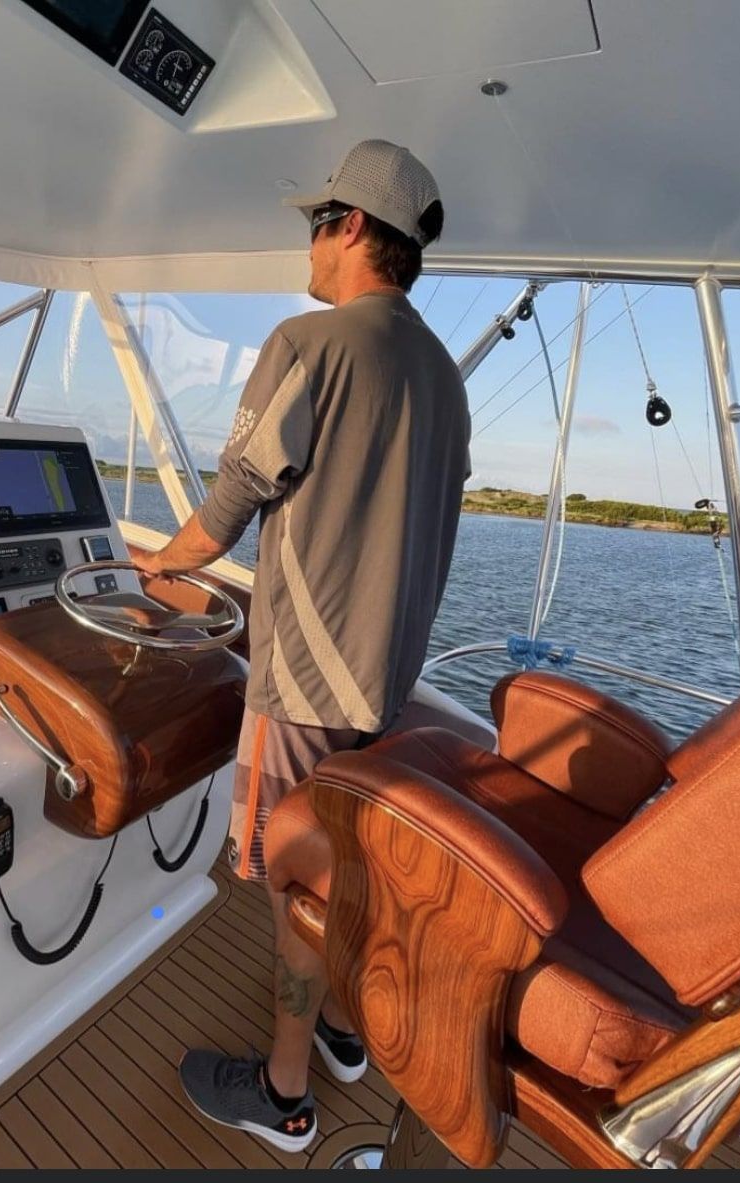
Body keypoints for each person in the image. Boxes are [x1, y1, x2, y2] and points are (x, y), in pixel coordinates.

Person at [134, 139, 471, 1152]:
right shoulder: (443, 377)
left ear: (355, 228)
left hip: (303, 691)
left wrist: (155, 575)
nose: (310, 245)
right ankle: (337, 1031)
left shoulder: (308, 345)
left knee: (295, 884)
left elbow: (228, 510)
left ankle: (284, 1093)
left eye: (316, 222)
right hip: (384, 694)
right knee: (347, 874)